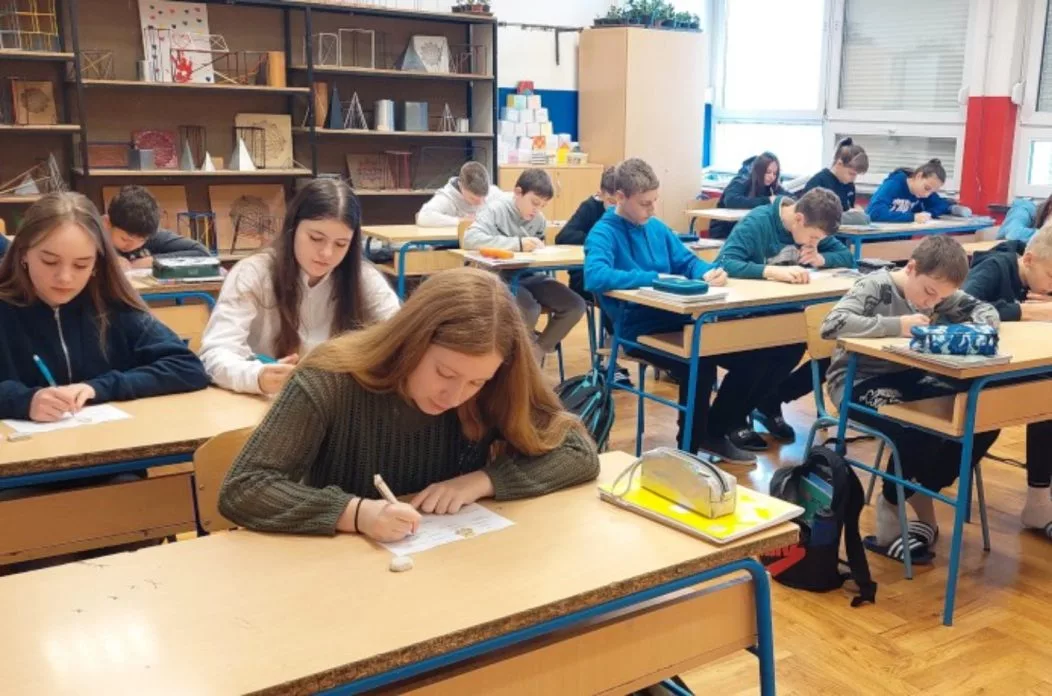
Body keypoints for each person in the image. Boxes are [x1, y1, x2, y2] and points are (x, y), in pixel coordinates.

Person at [217, 267, 600, 538]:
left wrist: (481, 482)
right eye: (444, 373)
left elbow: (579, 452)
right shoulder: (329, 380)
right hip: (343, 574)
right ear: (411, 341)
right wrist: (355, 513)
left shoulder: (495, 383)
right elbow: (245, 488)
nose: (455, 396)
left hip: (446, 567)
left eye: (476, 382)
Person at [584, 158, 803, 464]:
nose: (652, 210)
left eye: (655, 201)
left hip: (683, 319)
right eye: (645, 203)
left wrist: (707, 272)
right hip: (639, 328)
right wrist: (655, 277)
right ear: (620, 197)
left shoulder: (655, 228)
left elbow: (687, 262)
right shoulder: (603, 232)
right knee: (701, 361)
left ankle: (715, 430)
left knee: (763, 353)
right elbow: (595, 276)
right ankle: (689, 446)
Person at [822, 236, 1000, 562]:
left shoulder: (936, 291)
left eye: (941, 297)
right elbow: (831, 324)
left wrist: (977, 330)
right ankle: (891, 506)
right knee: (915, 427)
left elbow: (984, 310)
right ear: (912, 268)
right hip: (857, 381)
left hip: (910, 378)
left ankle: (918, 488)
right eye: (929, 293)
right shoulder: (875, 286)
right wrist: (897, 325)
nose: (932, 303)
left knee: (982, 417)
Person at [0, 192, 209, 423]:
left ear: (97, 263)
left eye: (81, 265)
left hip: (105, 438)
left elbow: (187, 368)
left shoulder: (111, 303)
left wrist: (97, 388)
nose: (65, 278)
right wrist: (23, 401)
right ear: (23, 253)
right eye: (50, 261)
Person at [200, 178, 399, 396]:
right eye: (316, 238)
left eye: (341, 244)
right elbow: (214, 354)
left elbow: (402, 338)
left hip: (336, 401)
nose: (327, 253)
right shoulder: (253, 273)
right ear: (293, 227)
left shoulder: (363, 277)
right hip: (264, 401)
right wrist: (258, 376)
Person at [715, 187, 849, 445]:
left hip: (782, 313)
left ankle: (767, 402)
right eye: (813, 237)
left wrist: (821, 258)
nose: (814, 242)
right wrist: (770, 272)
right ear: (798, 219)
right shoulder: (759, 222)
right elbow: (724, 262)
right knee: (762, 353)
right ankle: (729, 419)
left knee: (798, 347)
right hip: (741, 314)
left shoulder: (811, 228)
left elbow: (847, 257)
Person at [962, 230, 1052, 540]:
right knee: (1045, 398)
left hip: (1021, 366)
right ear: (1028, 260)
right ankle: (1039, 502)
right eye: (1051, 276)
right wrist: (1025, 311)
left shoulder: (1040, 273)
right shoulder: (995, 267)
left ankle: (1040, 499)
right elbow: (961, 308)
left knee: (1047, 397)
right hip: (976, 374)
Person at [462, 169, 585, 360]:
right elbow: (471, 239)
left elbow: (537, 251)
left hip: (528, 274)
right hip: (496, 277)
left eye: (543, 205)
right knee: (528, 308)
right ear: (518, 192)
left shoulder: (539, 220)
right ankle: (508, 359)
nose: (537, 210)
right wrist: (518, 244)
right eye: (534, 203)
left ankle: (535, 354)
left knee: (575, 305)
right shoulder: (495, 209)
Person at [106, 185, 210, 270]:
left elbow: (202, 253)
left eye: (141, 240)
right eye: (125, 239)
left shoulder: (148, 232)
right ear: (108, 223)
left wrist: (151, 261)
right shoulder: (98, 237)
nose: (132, 246)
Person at [556, 165, 618, 299]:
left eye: (620, 203)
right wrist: (599, 240)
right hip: (586, 273)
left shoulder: (628, 213)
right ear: (600, 194)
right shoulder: (590, 207)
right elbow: (563, 236)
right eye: (611, 202)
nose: (616, 208)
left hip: (616, 271)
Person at [709, 152, 790, 239]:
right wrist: (767, 200)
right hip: (725, 230)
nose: (771, 177)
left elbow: (790, 198)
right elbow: (731, 200)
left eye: (775, 173)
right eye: (768, 172)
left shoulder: (771, 185)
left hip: (747, 230)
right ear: (759, 170)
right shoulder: (742, 179)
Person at [865, 159, 971, 223]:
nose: (927, 195)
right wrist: (913, 217)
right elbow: (874, 213)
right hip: (875, 240)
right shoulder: (893, 185)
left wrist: (929, 213)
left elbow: (940, 204)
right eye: (927, 188)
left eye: (932, 192)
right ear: (919, 176)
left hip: (901, 239)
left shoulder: (922, 192)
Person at [800, 137, 871, 225]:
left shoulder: (849, 185)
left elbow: (848, 210)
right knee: (862, 219)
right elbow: (813, 216)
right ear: (839, 164)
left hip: (843, 229)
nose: (853, 179)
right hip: (821, 226)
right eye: (851, 173)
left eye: (856, 175)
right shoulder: (819, 182)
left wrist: (856, 211)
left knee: (864, 218)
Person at [415, 161, 501, 227]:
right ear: (461, 186)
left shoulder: (493, 192)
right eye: (473, 198)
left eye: (484, 197)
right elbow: (423, 217)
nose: (480, 203)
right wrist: (461, 221)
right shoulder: (447, 198)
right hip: (455, 241)